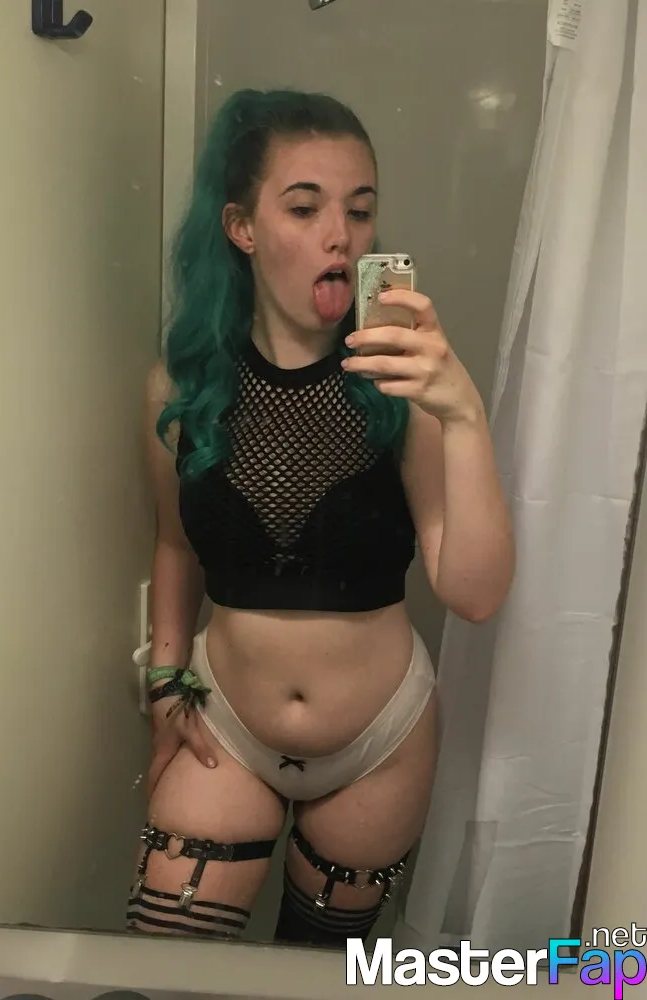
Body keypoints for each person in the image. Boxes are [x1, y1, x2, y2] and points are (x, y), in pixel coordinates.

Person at [127, 88, 514, 949]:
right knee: (162, 966)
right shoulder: (182, 388)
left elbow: (475, 594)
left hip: (380, 743)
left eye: (359, 210)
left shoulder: (403, 390)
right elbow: (174, 546)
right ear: (242, 227)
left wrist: (463, 416)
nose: (340, 235)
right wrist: (163, 685)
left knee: (317, 976)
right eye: (305, 208)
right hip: (222, 726)